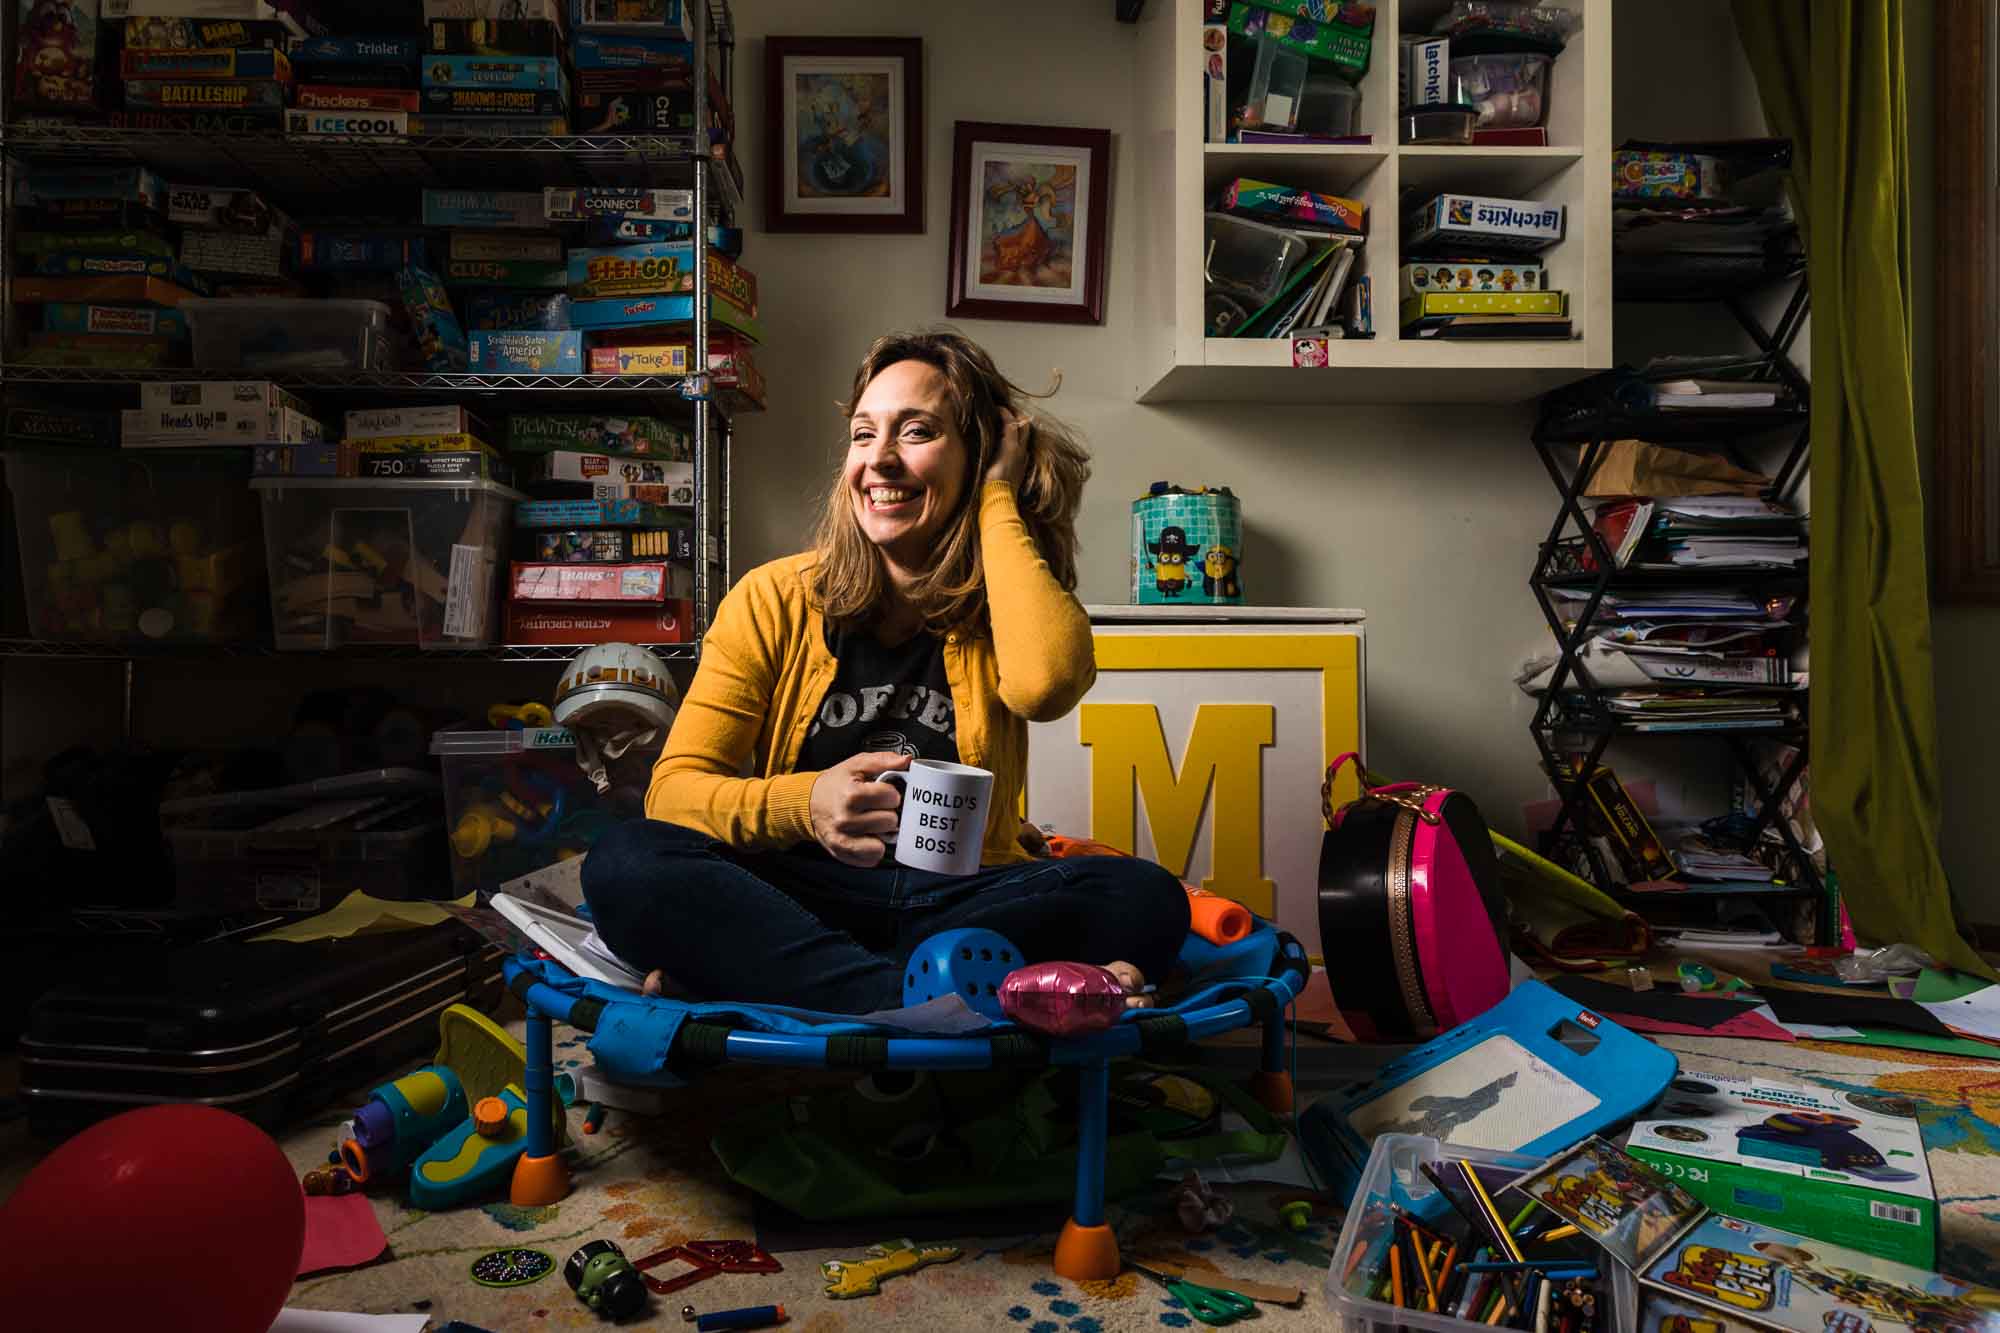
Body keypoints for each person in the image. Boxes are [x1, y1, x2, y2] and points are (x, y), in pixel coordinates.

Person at [581, 330, 1191, 1013]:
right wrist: (807, 804)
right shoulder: (770, 598)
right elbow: (675, 793)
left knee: (1146, 898)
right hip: (803, 894)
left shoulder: (1005, 602)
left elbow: (1046, 682)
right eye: (864, 434)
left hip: (958, 903)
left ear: (979, 455)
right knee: (626, 863)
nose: (881, 461)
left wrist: (995, 500)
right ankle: (918, 1001)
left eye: (918, 431)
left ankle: (801, 986)